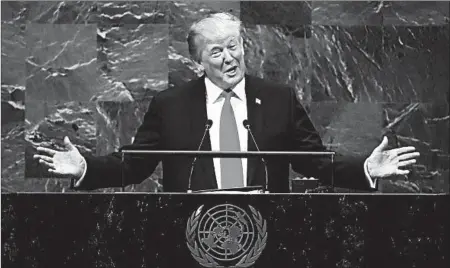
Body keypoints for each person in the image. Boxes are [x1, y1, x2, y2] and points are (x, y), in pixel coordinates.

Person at [34, 13, 419, 193]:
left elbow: (312, 161)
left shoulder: (277, 99)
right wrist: (86, 168)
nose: (229, 58)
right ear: (198, 61)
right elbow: (134, 166)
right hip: (190, 233)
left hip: (267, 233)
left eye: (234, 46)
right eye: (216, 51)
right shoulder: (171, 105)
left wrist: (365, 169)